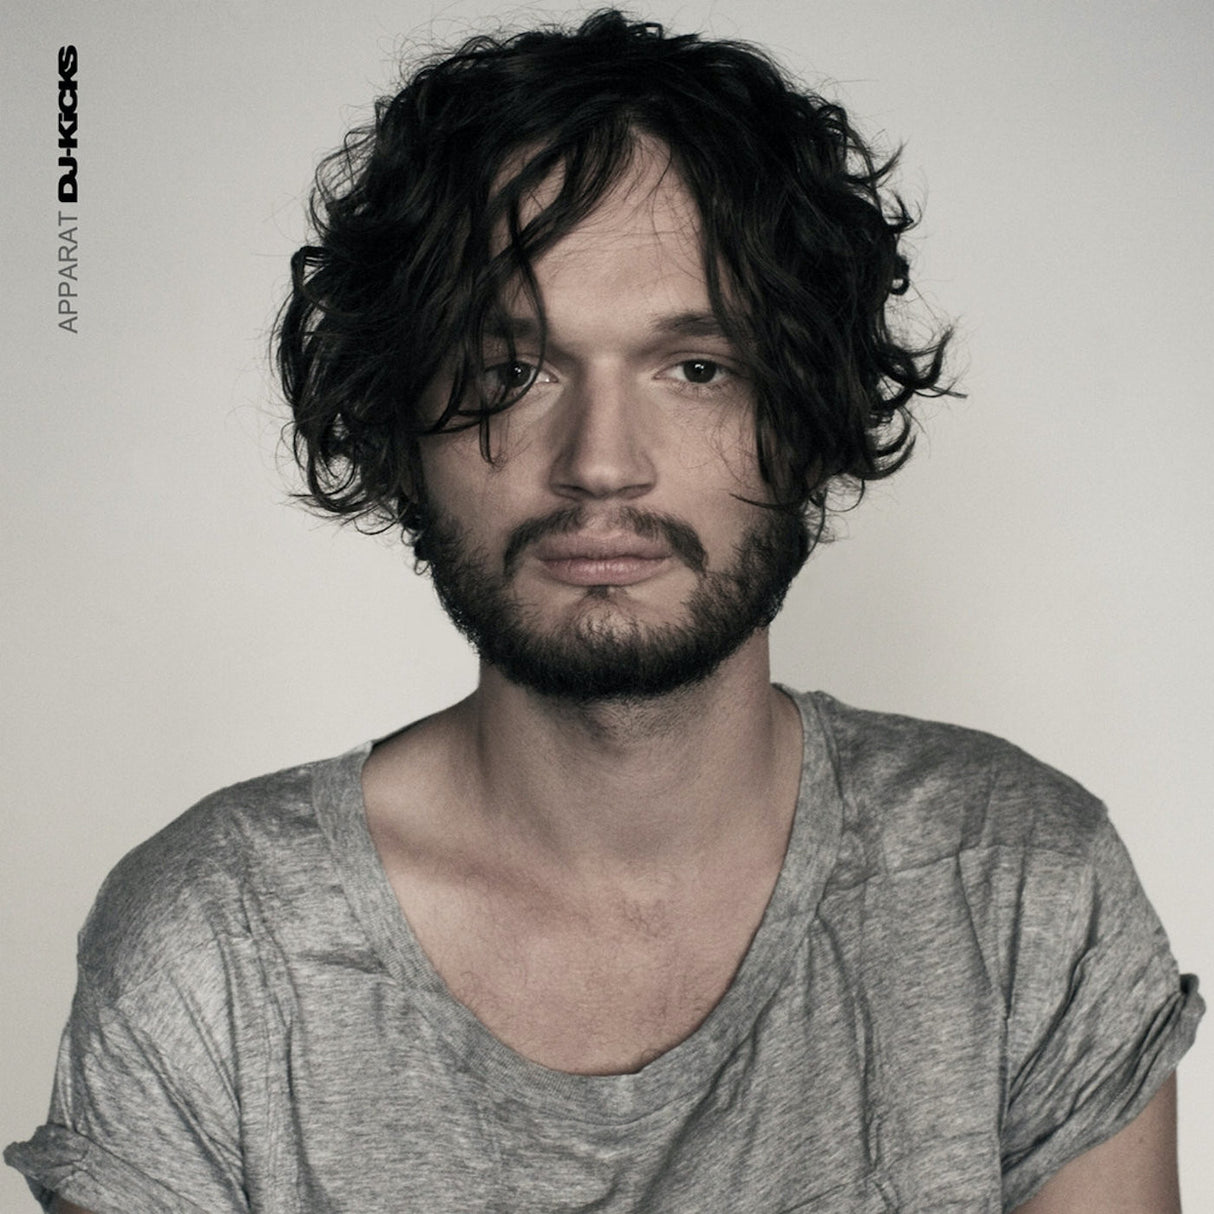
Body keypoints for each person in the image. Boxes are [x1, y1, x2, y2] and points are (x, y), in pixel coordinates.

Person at [6, 10, 1202, 1212]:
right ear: (396, 427)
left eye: (695, 368)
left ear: (805, 414)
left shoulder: (1013, 885)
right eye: (508, 373)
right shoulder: (223, 944)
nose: (601, 464)